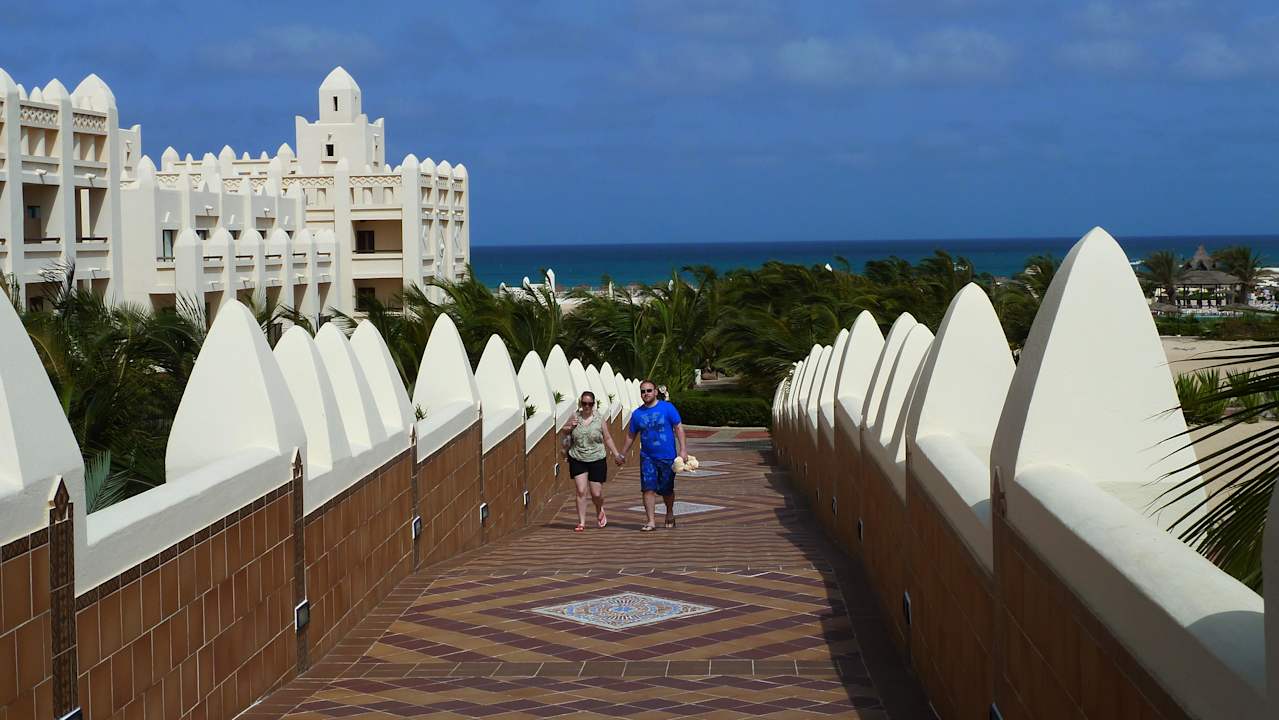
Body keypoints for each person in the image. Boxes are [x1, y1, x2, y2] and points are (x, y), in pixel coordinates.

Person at [620, 379, 688, 532]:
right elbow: (631, 435)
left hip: (667, 456)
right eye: (643, 391)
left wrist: (683, 450)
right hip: (647, 457)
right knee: (648, 488)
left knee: (666, 490)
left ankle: (669, 513)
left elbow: (678, 428)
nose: (646, 394)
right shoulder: (637, 414)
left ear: (656, 392)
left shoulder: (667, 408)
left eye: (649, 390)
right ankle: (650, 521)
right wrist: (622, 453)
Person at [561, 391, 625, 532]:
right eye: (584, 403)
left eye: (590, 404)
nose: (587, 406)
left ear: (593, 404)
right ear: (581, 403)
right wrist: (570, 427)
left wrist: (616, 454)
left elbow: (607, 437)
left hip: (597, 458)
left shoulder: (599, 418)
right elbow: (564, 431)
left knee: (596, 494)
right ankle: (581, 522)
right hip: (577, 457)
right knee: (581, 490)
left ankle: (599, 508)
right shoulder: (575, 416)